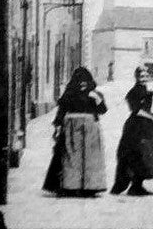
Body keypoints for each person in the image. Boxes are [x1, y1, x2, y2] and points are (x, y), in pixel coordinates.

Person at [42, 67, 108, 196]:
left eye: (85, 81)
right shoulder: (69, 94)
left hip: (90, 130)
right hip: (72, 129)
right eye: (80, 81)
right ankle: (71, 187)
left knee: (90, 158)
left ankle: (90, 187)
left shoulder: (95, 94)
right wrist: (57, 126)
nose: (83, 84)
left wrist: (98, 99)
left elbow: (103, 110)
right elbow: (61, 111)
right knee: (71, 157)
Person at [110, 67, 153, 196]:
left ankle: (137, 186)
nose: (144, 78)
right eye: (142, 76)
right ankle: (135, 187)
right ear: (136, 77)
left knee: (146, 155)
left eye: (146, 76)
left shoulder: (147, 91)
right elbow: (136, 110)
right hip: (135, 127)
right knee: (137, 155)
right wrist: (152, 117)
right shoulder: (133, 92)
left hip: (146, 127)